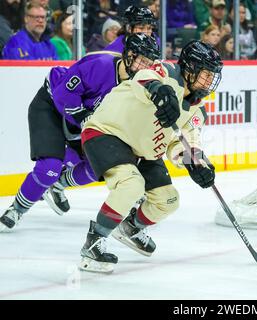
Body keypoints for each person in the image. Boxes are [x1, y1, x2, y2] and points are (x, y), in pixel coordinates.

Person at [77, 40, 222, 273]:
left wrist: (196, 163)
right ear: (190, 68)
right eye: (206, 74)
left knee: (168, 201)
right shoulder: (165, 72)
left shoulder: (197, 109)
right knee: (131, 185)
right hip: (107, 132)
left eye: (212, 75)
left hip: (142, 151)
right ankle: (93, 243)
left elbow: (183, 141)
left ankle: (131, 227)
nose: (209, 81)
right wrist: (158, 89)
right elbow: (142, 77)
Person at [0, 33, 160, 232]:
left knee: (99, 167)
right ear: (129, 55)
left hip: (81, 121)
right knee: (49, 167)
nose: (145, 67)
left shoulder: (137, 87)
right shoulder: (100, 65)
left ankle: (58, 184)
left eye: (149, 63)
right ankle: (17, 209)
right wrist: (83, 115)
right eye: (142, 61)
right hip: (52, 105)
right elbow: (62, 93)